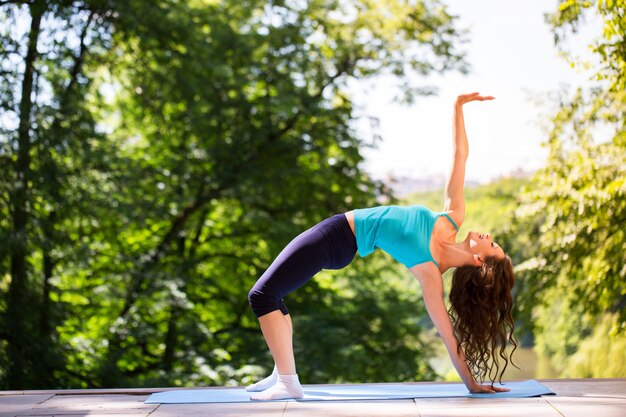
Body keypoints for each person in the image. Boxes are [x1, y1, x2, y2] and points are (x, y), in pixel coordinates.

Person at [246, 92, 517, 401]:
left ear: (481, 260)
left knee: (262, 295)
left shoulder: (430, 273)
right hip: (337, 235)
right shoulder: (452, 218)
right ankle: (281, 370)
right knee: (274, 294)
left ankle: (288, 381)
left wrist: (471, 384)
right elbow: (460, 156)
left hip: (336, 239)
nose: (487, 235)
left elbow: (448, 336)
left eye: (492, 244)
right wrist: (458, 107)